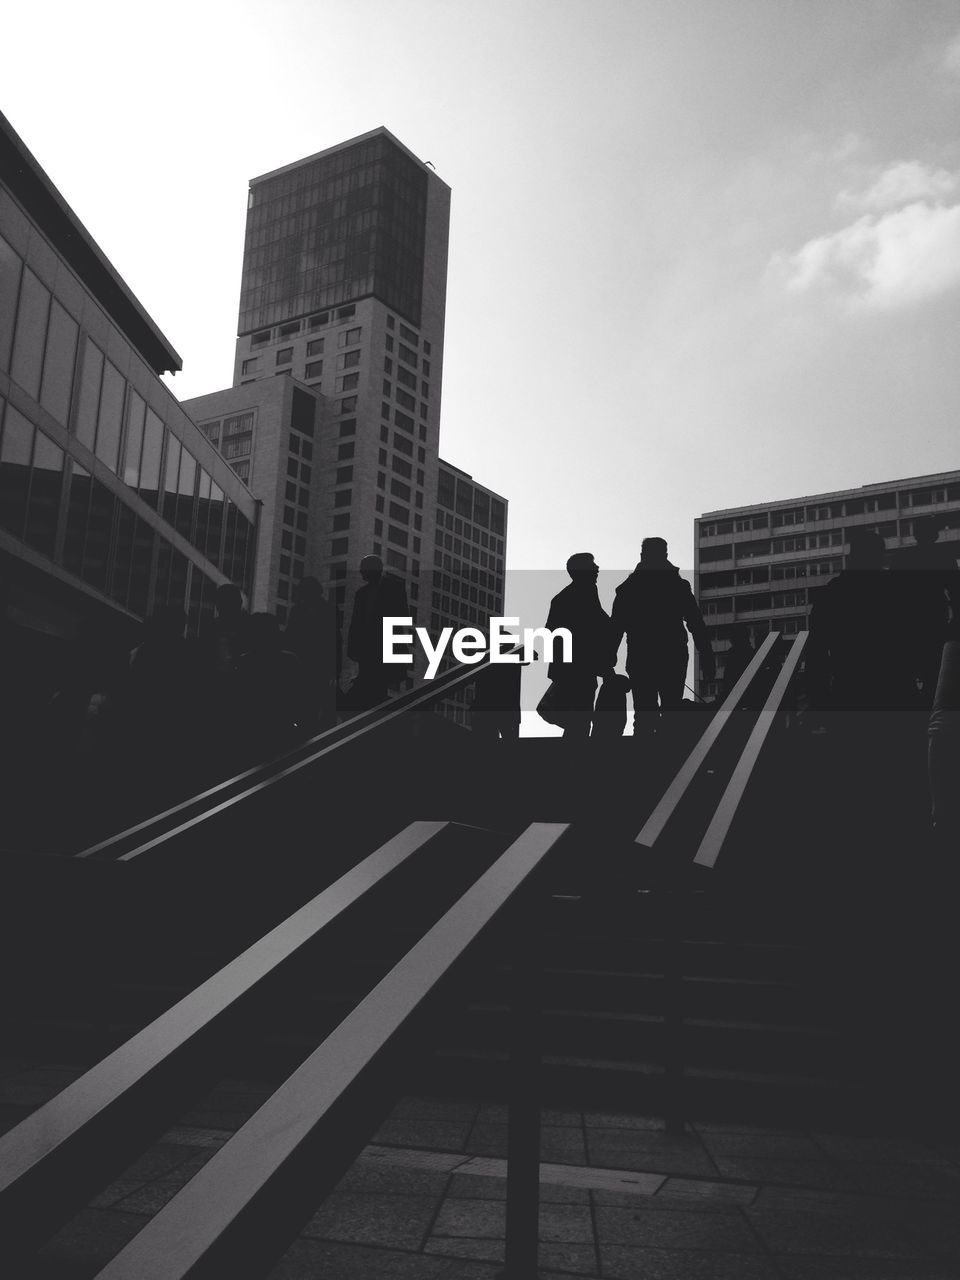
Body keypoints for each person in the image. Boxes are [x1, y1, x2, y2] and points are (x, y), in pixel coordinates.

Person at [611, 538, 715, 738]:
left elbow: (616, 628)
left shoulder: (629, 589)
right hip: (672, 655)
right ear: (665, 555)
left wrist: (608, 658)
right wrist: (707, 656)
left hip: (641, 657)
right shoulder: (677, 585)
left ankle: (645, 759)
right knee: (671, 712)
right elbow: (696, 623)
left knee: (644, 714)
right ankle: (668, 758)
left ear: (642, 556)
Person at [807, 528, 915, 712]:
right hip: (896, 687)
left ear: (852, 557)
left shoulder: (832, 593)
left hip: (850, 688)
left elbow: (817, 649)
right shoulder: (897, 590)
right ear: (880, 557)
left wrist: (819, 696)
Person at [544, 553, 616, 739]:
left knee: (577, 718)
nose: (597, 568)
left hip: (570, 667)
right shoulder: (585, 592)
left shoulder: (563, 598)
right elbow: (596, 625)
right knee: (581, 717)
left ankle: (572, 757)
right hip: (581, 667)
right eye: (593, 566)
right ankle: (574, 759)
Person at [892, 517, 960, 704]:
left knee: (907, 678)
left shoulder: (902, 559)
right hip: (935, 622)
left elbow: (893, 596)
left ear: (916, 534)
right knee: (933, 677)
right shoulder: (944, 558)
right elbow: (955, 592)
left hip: (908, 626)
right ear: (935, 534)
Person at [345, 554, 410, 712]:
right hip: (367, 648)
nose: (360, 572)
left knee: (377, 686)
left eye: (363, 568)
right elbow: (356, 623)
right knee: (368, 685)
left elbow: (401, 617)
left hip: (383, 646)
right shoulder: (361, 594)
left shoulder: (394, 587)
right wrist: (353, 648)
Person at [285, 577, 341, 730]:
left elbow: (334, 641)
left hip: (318, 667)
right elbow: (290, 638)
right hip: (302, 666)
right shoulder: (298, 611)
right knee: (304, 704)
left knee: (316, 703)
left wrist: (334, 671)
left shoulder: (328, 610)